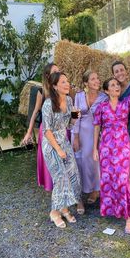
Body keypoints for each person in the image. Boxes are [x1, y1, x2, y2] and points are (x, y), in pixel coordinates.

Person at [93, 54, 130, 234]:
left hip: (123, 145)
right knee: (108, 178)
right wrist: (94, 149)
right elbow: (97, 128)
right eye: (113, 85)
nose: (116, 87)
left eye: (117, 85)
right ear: (106, 91)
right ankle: (115, 209)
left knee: (123, 180)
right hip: (106, 147)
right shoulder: (101, 108)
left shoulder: (126, 104)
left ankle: (129, 216)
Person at [42, 71, 82, 228]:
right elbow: (47, 130)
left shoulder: (70, 100)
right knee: (60, 178)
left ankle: (64, 208)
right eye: (63, 82)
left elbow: (69, 126)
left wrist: (74, 118)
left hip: (64, 141)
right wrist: (58, 150)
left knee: (72, 175)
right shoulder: (48, 104)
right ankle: (54, 212)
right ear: (54, 86)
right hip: (51, 145)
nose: (67, 84)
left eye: (67, 81)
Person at [72, 70, 107, 209]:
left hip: (96, 134)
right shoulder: (79, 96)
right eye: (93, 79)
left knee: (95, 162)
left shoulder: (104, 97)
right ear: (86, 83)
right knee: (80, 161)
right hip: (81, 133)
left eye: (98, 78)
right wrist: (75, 137)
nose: (97, 81)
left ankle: (95, 190)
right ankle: (81, 192)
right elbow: (75, 116)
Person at [22, 63, 59, 192]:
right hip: (47, 131)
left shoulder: (65, 88)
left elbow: (73, 109)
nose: (58, 73)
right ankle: (52, 187)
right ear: (48, 76)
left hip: (62, 131)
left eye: (59, 71)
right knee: (49, 160)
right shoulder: (42, 92)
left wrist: (76, 120)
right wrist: (29, 132)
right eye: (55, 71)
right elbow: (35, 113)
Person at [111, 60, 130, 147]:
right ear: (113, 75)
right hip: (112, 133)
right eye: (116, 71)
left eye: (122, 70)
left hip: (126, 133)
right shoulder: (112, 89)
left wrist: (124, 133)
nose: (120, 73)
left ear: (126, 71)